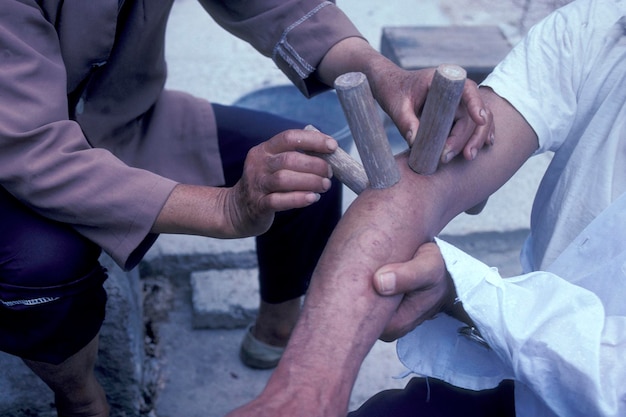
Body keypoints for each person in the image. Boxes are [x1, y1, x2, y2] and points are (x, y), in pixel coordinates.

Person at [0, 0, 491, 415]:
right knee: (43, 272)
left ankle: (275, 329)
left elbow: (274, 5)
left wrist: (382, 74)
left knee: (304, 171)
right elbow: (29, 147)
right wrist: (226, 209)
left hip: (123, 121)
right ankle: (83, 400)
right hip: (16, 155)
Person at [226, 0, 625, 416]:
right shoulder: (598, 26)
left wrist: (464, 291)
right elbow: (413, 193)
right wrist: (309, 387)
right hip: (523, 374)